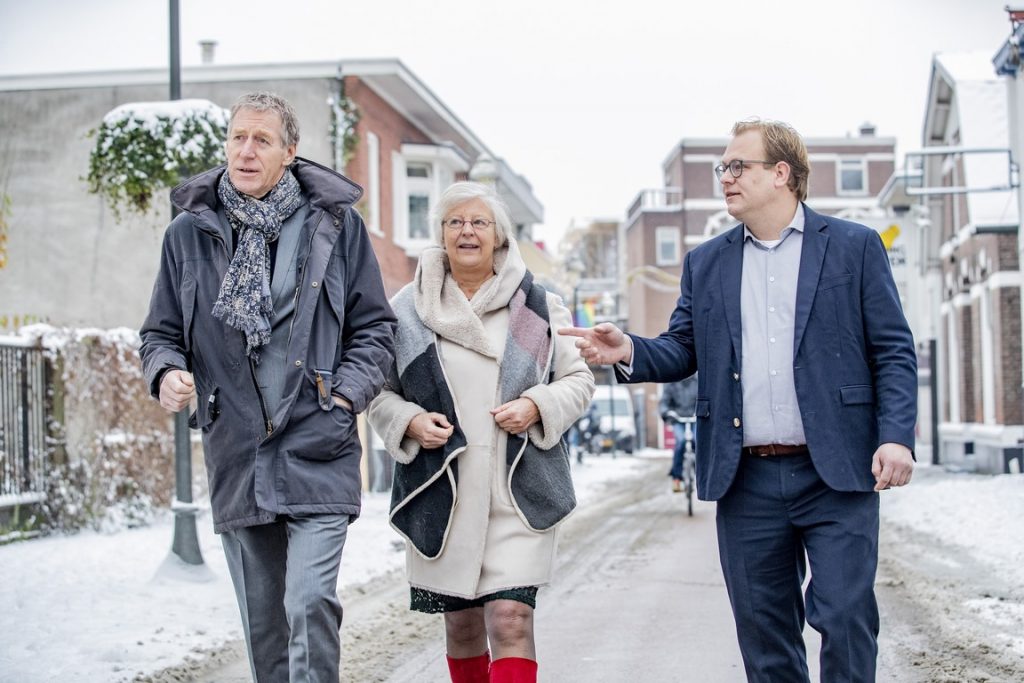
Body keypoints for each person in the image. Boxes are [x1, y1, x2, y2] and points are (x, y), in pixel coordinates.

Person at [560, 118, 917, 682]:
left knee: (846, 618)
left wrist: (895, 436)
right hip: (746, 479)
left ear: (782, 174)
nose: (724, 178)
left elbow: (893, 351)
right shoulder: (707, 263)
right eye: (721, 168)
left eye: (736, 166)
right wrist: (628, 347)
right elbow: (682, 349)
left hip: (837, 471)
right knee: (764, 632)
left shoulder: (854, 247)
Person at [139, 91, 396, 682]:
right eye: (237, 138)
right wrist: (168, 372)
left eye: (262, 140)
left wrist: (344, 397)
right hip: (239, 450)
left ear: (290, 152)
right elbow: (159, 333)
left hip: (318, 442)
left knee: (309, 604)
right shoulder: (187, 234)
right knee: (265, 628)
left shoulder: (336, 227)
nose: (246, 151)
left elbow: (375, 329)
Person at [367, 181, 594, 683]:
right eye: (455, 222)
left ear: (499, 235)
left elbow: (578, 381)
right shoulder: (406, 309)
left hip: (516, 488)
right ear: (441, 234)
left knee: (512, 620)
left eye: (479, 222)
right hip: (443, 492)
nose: (467, 231)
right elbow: (377, 392)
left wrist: (537, 404)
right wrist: (409, 420)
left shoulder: (537, 304)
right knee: (464, 628)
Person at [659, 374, 698, 492]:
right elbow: (664, 402)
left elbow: (705, 399)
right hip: (678, 419)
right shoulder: (672, 383)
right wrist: (667, 412)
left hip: (694, 419)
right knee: (680, 442)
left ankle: (702, 473)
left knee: (698, 441)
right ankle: (676, 478)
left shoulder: (697, 383)